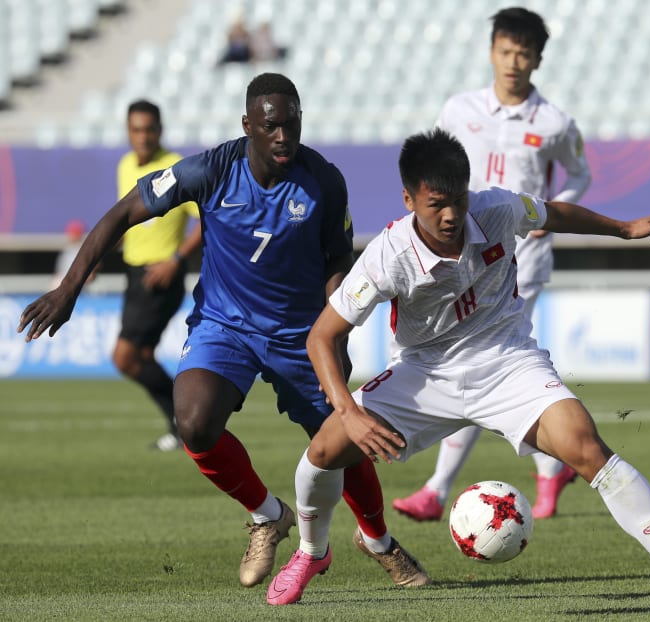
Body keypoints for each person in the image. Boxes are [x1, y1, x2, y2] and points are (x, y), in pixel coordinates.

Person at [266, 128, 650, 606]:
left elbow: (554, 213)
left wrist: (623, 228)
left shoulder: (497, 209)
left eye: (459, 201)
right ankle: (311, 551)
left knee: (586, 446)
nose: (450, 216)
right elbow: (322, 335)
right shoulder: (387, 256)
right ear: (409, 199)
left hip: (507, 361)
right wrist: (348, 411)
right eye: (435, 204)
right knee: (322, 452)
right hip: (425, 373)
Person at [18, 73, 429, 591]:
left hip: (299, 333)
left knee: (340, 440)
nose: (284, 136)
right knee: (192, 421)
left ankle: (378, 541)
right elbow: (124, 211)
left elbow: (336, 261)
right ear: (248, 125)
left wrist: (335, 337)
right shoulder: (211, 169)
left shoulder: (323, 180)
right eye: (272, 126)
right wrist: (69, 288)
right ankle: (267, 514)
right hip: (224, 326)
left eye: (292, 123)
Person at [393, 7, 590, 522]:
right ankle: (551, 472)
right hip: (464, 253)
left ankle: (438, 490)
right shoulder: (459, 109)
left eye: (524, 53)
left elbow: (580, 175)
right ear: (492, 52)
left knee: (484, 361)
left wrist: (551, 212)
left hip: (522, 257)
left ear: (538, 60)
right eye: (506, 51)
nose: (513, 62)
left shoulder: (555, 122)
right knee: (478, 362)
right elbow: (433, 170)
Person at [112, 99, 201, 452]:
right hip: (133, 276)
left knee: (124, 357)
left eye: (149, 129)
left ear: (160, 131)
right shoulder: (124, 166)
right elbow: (125, 219)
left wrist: (176, 259)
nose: (143, 137)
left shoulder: (174, 167)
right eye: (136, 130)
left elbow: (205, 218)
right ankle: (181, 426)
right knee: (142, 357)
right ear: (128, 132)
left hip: (160, 278)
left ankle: (185, 419)